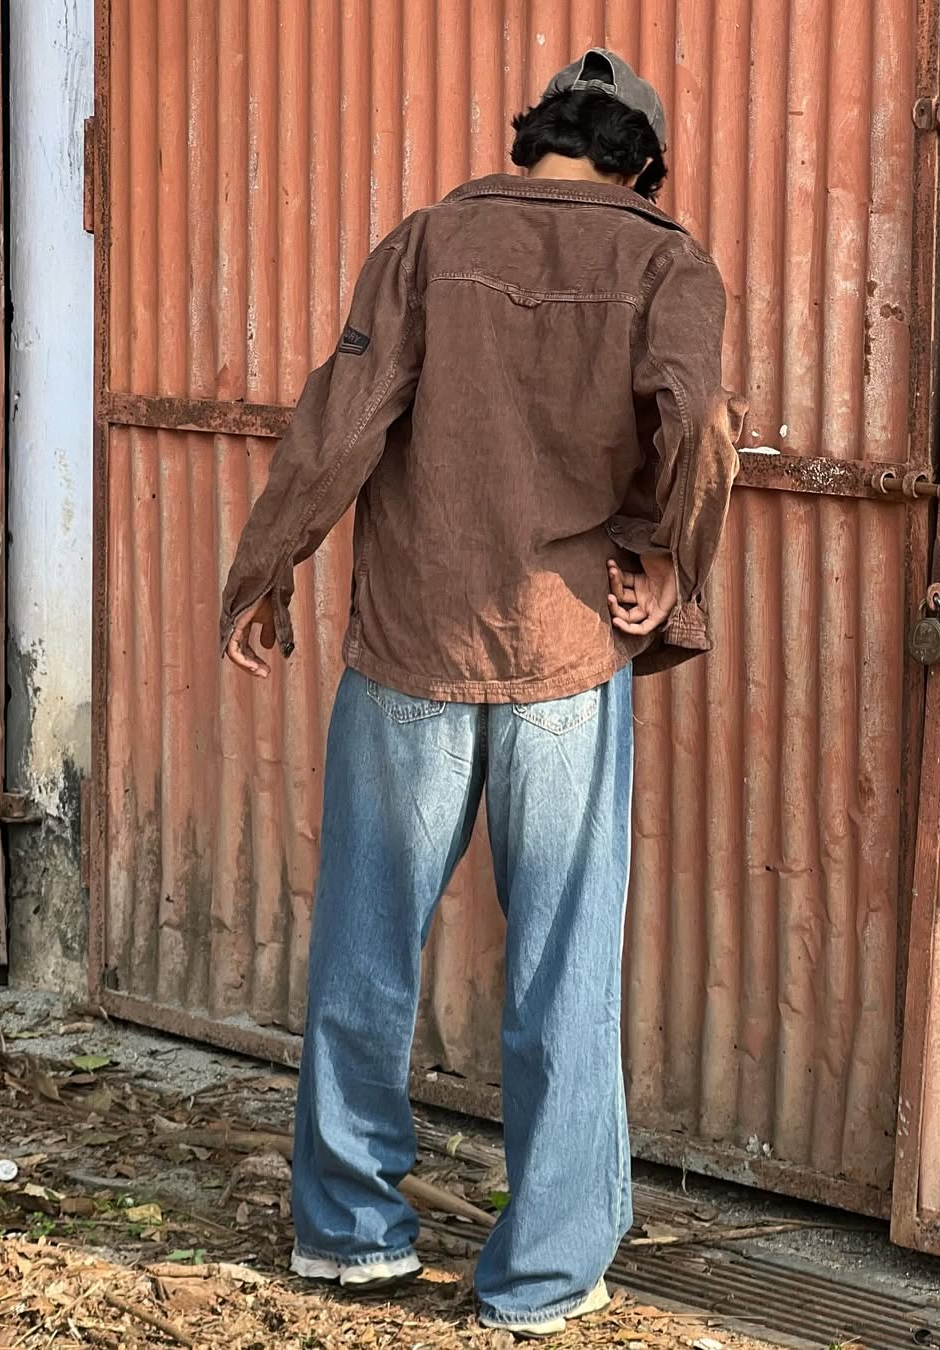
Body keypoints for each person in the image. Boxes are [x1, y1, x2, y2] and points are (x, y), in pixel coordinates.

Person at [221, 48, 744, 1337]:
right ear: (641, 167)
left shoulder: (428, 243)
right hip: (564, 652)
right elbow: (696, 425)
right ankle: (543, 1277)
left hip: (413, 641)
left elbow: (344, 415)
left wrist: (267, 568)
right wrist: (671, 565)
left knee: (365, 943)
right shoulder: (666, 262)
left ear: (533, 140)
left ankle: (349, 1234)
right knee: (563, 967)